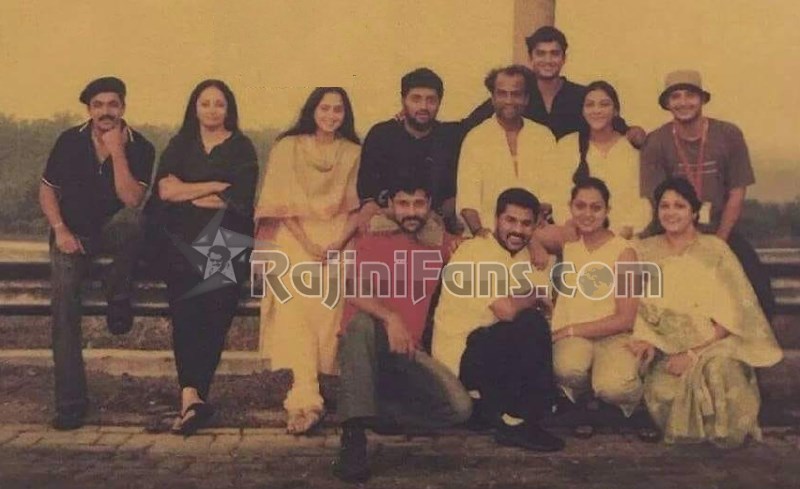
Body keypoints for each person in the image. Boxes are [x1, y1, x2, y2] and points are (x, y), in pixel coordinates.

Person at [333, 181, 472, 483]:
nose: (411, 212)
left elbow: (481, 250)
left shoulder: (440, 242)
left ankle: (374, 409)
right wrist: (391, 318)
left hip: (409, 351)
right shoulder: (374, 236)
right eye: (403, 204)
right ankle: (353, 436)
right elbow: (354, 291)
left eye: (418, 204)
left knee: (460, 408)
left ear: (429, 205)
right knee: (360, 324)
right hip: (369, 344)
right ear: (391, 205)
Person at [39, 76, 155, 430]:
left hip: (114, 232)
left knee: (137, 220)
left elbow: (132, 200)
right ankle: (70, 405)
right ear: (89, 109)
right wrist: (60, 230)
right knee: (64, 306)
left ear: (123, 107)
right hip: (71, 234)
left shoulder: (141, 146)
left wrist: (117, 151)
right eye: (98, 105)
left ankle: (117, 293)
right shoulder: (69, 141)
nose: (106, 111)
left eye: (113, 104)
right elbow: (47, 190)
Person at [631, 177, 782, 447]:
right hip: (665, 347)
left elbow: (734, 311)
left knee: (719, 372)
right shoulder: (643, 250)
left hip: (714, 343)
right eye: (664, 206)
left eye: (679, 206)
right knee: (665, 392)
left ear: (694, 212)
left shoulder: (715, 249)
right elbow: (633, 303)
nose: (671, 212)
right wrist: (647, 340)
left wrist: (693, 354)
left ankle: (725, 437)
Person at [255, 87, 369, 435]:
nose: (331, 115)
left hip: (339, 235)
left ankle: (314, 388)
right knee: (296, 299)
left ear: (345, 115)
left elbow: (358, 208)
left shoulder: (354, 152)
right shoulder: (287, 147)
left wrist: (337, 243)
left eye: (338, 110)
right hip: (295, 234)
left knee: (331, 297)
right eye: (325, 108)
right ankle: (305, 397)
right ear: (312, 110)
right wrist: (307, 243)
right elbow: (278, 205)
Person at [148, 79, 258, 435]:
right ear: (194, 108)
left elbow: (239, 200)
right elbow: (165, 191)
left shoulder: (241, 148)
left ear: (229, 109)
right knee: (185, 309)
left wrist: (188, 191)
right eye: (205, 103)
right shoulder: (180, 144)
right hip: (182, 241)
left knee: (215, 306)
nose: (212, 110)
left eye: (219, 104)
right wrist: (213, 186)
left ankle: (195, 394)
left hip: (227, 239)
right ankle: (190, 396)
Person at [432, 188, 564, 452]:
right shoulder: (474, 251)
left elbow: (548, 309)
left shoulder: (527, 257)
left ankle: (508, 410)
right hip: (460, 360)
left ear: (535, 226)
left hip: (493, 353)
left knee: (534, 325)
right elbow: (507, 310)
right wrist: (535, 295)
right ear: (496, 219)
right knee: (528, 321)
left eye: (526, 224)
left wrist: (535, 296)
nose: (517, 230)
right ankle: (516, 422)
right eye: (510, 220)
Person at [640, 69, 775, 319]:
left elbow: (737, 191)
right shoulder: (656, 141)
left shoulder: (728, 134)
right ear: (667, 103)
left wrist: (719, 241)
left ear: (702, 99)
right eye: (675, 96)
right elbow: (656, 199)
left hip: (720, 230)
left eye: (690, 95)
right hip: (672, 232)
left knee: (759, 291)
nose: (683, 102)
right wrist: (682, 242)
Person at [550, 178, 655, 440]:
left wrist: (569, 329)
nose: (587, 214)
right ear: (570, 207)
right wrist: (535, 248)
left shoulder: (623, 251)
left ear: (607, 210)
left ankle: (635, 403)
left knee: (613, 387)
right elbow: (534, 236)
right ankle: (584, 402)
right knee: (566, 368)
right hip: (576, 340)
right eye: (580, 206)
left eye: (595, 207)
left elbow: (626, 319)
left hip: (614, 335)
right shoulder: (568, 243)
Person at [463, 26, 645, 146]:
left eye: (554, 53)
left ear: (564, 58)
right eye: (541, 53)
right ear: (530, 57)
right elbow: (469, 126)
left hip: (574, 178)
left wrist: (633, 132)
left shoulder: (581, 95)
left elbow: (616, 125)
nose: (548, 60)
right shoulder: (517, 96)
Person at [457, 65, 566, 231]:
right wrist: (480, 234)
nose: (509, 100)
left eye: (516, 94)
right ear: (493, 98)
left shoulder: (543, 137)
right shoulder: (476, 139)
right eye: (502, 94)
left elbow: (553, 191)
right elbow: (467, 201)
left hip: (535, 232)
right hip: (489, 233)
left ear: (526, 98)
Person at [357, 68, 465, 232]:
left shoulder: (449, 137)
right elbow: (367, 190)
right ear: (403, 101)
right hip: (388, 223)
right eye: (416, 99)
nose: (423, 106)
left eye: (431, 100)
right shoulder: (381, 135)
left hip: (436, 224)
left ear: (439, 102)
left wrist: (441, 213)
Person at [557, 82, 651, 239]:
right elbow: (558, 195)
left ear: (616, 111)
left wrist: (629, 229)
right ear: (582, 111)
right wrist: (572, 226)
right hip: (580, 235)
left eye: (604, 104)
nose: (597, 110)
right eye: (590, 105)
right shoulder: (568, 145)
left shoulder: (632, 148)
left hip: (625, 236)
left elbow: (643, 200)